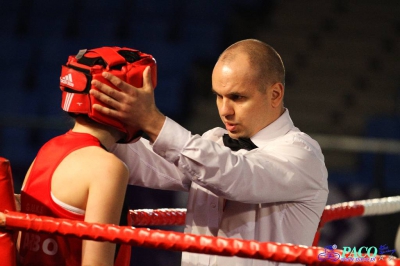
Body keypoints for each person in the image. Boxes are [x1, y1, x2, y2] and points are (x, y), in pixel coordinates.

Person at [90, 39, 329, 266]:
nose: (225, 110)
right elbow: (148, 163)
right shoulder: (213, 142)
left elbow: (237, 177)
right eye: (218, 96)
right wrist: (94, 120)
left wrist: (152, 122)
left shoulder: (302, 154)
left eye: (237, 97)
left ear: (275, 94)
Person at [18, 46, 156, 266]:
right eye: (142, 97)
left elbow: (21, 248)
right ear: (121, 100)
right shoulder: (107, 168)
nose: (148, 106)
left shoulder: (47, 149)